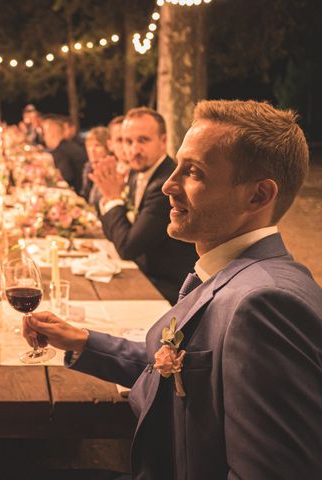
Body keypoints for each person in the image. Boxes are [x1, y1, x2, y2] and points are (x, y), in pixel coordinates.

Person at [24, 99, 322, 479]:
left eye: (193, 172)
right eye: (176, 165)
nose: (168, 184)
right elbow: (177, 365)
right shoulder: (229, 274)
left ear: (258, 196)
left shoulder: (265, 304)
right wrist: (82, 341)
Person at [91, 107, 197, 303]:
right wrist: (108, 198)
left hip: (168, 288)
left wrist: (114, 198)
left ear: (163, 141)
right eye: (127, 141)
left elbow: (127, 248)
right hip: (140, 275)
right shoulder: (136, 174)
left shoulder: (166, 183)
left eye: (143, 140)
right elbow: (112, 235)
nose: (134, 150)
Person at [42, 115, 88, 196]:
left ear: (52, 134)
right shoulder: (69, 146)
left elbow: (66, 180)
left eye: (44, 133)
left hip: (79, 195)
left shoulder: (61, 152)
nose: (44, 137)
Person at [81, 126, 110, 204]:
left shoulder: (111, 170)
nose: (92, 150)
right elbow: (85, 195)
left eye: (97, 145)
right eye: (89, 146)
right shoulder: (88, 167)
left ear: (108, 147)